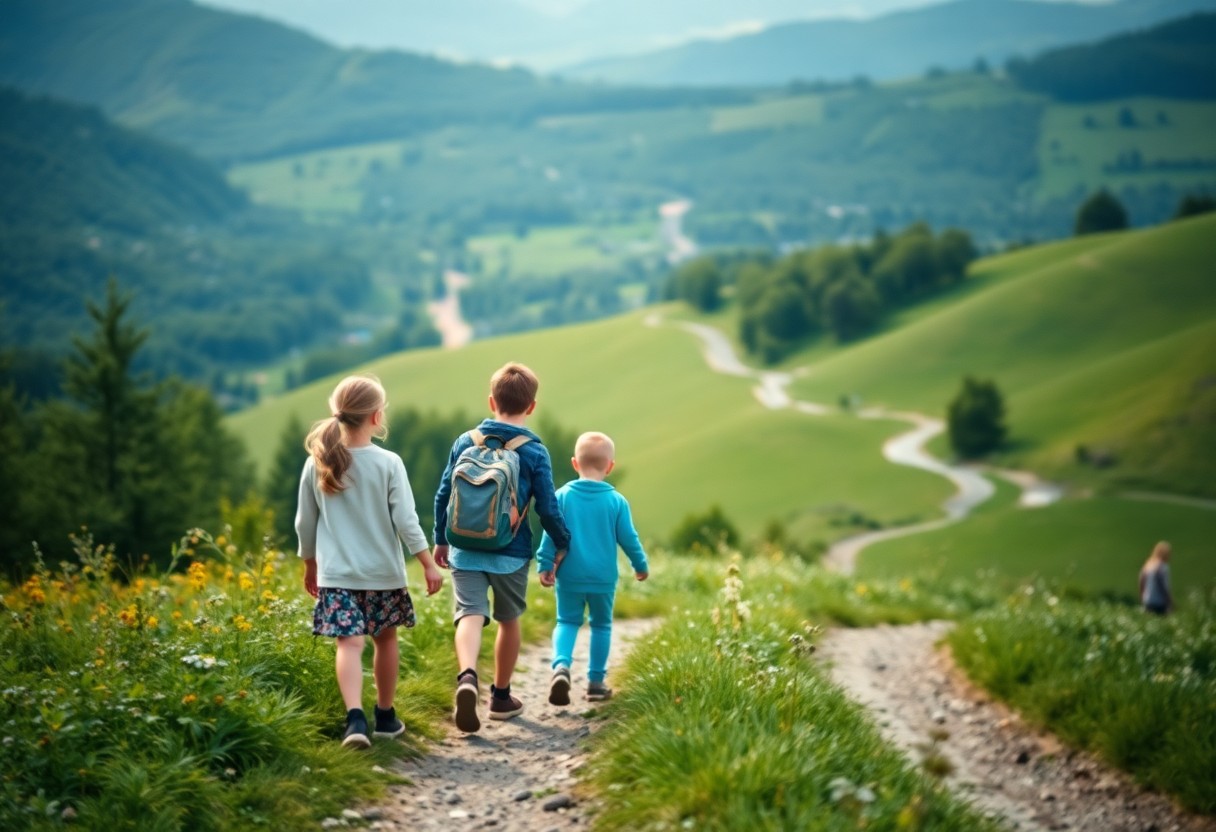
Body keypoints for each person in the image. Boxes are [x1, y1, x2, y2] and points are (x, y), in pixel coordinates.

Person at [295, 374, 444, 749]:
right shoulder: (389, 462)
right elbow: (406, 520)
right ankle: (385, 716)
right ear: (377, 417)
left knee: (349, 644)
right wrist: (427, 563)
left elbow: (304, 522)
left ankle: (354, 720)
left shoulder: (318, 462)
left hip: (337, 575)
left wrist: (310, 564)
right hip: (383, 575)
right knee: (385, 639)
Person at [433, 362, 571, 733]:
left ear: (491, 401)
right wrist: (562, 543)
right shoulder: (534, 451)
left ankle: (466, 677)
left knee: (469, 614)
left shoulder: (465, 441)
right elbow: (547, 506)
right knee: (509, 622)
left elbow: (444, 493)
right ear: (532, 406)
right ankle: (500, 697)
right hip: (511, 551)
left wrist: (440, 538)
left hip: (463, 547)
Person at [537, 431, 648, 704]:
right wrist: (640, 564)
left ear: (575, 463)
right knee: (601, 626)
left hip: (569, 575)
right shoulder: (617, 501)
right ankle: (596, 683)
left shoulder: (562, 496)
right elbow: (629, 538)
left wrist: (544, 563)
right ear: (610, 467)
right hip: (602, 578)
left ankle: (561, 666)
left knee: (566, 621)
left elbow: (550, 533)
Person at [1139, 540, 1173, 616]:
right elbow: (1162, 586)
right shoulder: (1162, 567)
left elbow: (1141, 581)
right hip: (1159, 602)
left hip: (1148, 601)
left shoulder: (1148, 565)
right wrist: (1169, 601)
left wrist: (1142, 597)